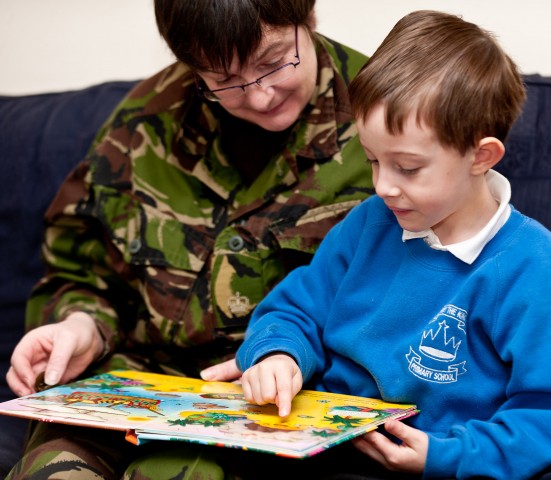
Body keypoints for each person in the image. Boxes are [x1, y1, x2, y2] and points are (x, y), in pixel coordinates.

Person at [5, 0, 374, 478]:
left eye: (275, 62)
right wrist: (82, 328)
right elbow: (83, 272)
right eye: (225, 80)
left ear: (308, 19)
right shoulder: (144, 123)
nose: (260, 96)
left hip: (274, 402)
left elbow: (422, 296)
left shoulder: (386, 120)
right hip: (129, 383)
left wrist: (285, 357)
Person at [236, 10, 551, 479]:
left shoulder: (534, 269)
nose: (383, 186)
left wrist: (445, 458)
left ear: (480, 155)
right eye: (371, 161)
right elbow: (296, 309)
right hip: (322, 447)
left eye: (407, 168)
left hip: (446, 462)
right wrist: (278, 353)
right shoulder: (370, 223)